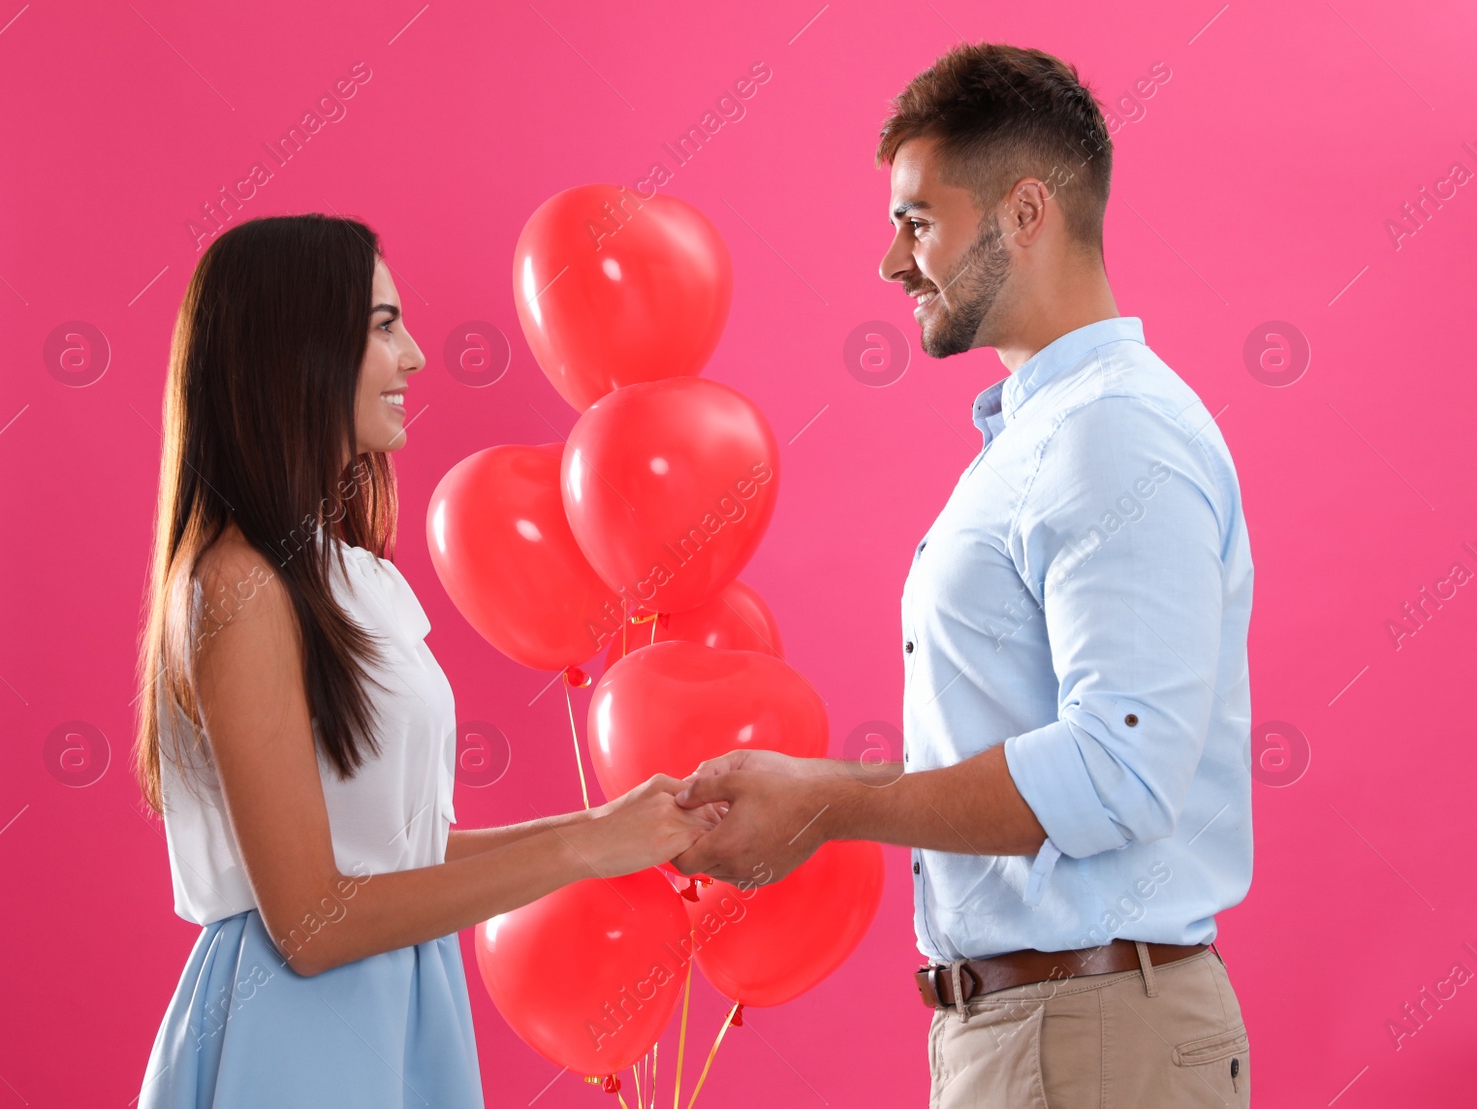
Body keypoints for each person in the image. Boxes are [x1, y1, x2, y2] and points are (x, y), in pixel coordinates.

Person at [674, 43, 1254, 1108]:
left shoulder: (1111, 435)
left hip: (1088, 1042)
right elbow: (1041, 755)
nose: (892, 263)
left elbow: (1115, 772)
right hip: (1046, 1033)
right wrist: (814, 790)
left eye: (917, 220)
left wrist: (826, 807)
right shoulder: (1043, 436)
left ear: (1024, 212)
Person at [131, 214, 716, 1107]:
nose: (413, 357)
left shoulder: (336, 575)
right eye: (381, 325)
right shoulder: (238, 587)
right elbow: (313, 923)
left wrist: (610, 828)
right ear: (295, 349)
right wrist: (586, 846)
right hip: (292, 1038)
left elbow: (394, 848)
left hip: (394, 1010)